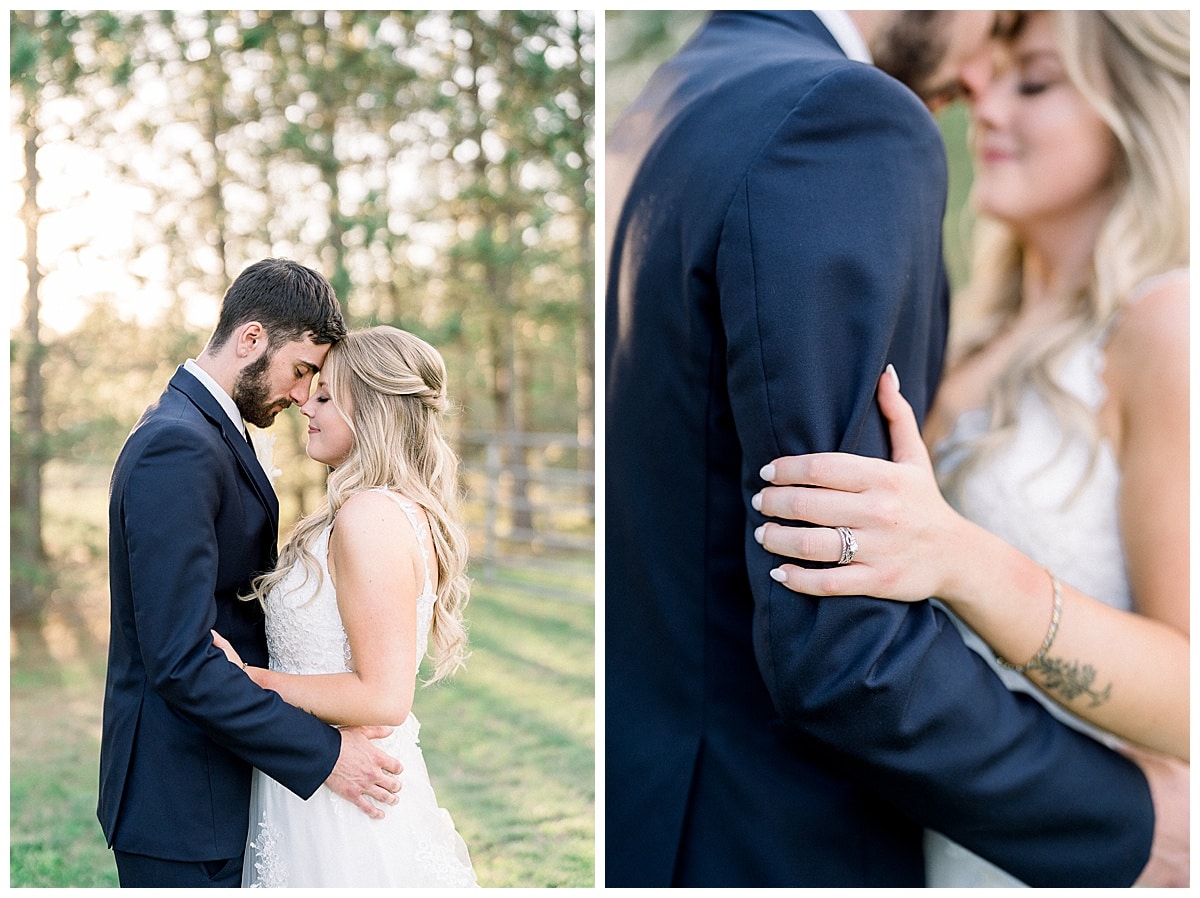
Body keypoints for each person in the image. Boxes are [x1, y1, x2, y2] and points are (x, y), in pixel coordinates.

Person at [605, 10, 1183, 887]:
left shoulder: (659, 104)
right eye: (994, 58)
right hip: (878, 823)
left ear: (1136, 110)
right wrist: (1114, 825)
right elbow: (838, 633)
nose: (981, 98)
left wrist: (967, 563)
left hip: (969, 823)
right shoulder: (847, 132)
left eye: (1030, 78)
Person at [99, 259, 403, 888]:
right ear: (251, 339)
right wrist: (325, 755)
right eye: (301, 372)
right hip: (183, 798)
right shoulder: (177, 446)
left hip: (222, 779)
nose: (300, 396)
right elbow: (181, 660)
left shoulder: (210, 432)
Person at [210, 325, 478, 887]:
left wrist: (248, 679)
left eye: (327, 396)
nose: (305, 403)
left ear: (375, 413)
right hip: (313, 785)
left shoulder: (371, 517)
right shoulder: (367, 509)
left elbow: (383, 696)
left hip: (349, 808)